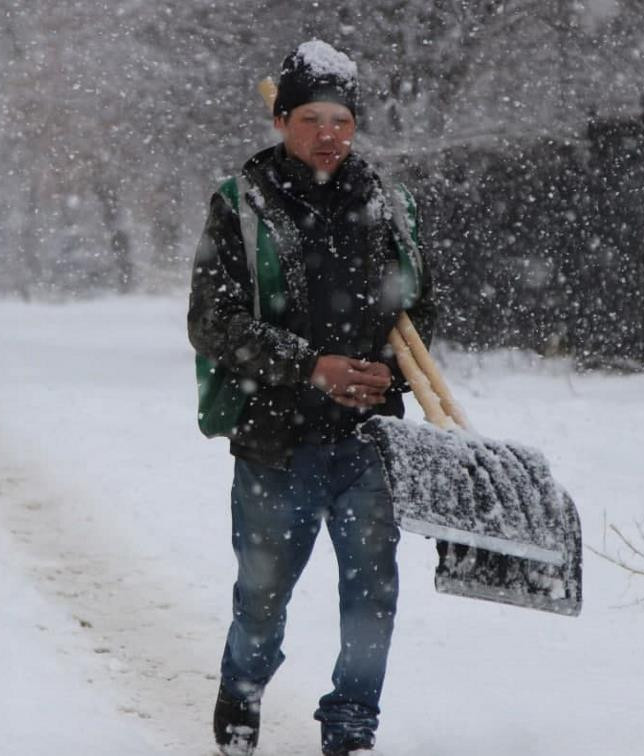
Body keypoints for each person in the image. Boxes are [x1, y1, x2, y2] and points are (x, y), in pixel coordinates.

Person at [188, 39, 437, 756]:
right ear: (281, 122)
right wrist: (308, 365)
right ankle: (243, 688)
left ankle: (351, 726)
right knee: (262, 602)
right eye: (310, 119)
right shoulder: (241, 207)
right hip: (276, 439)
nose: (329, 134)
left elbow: (423, 307)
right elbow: (211, 322)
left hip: (368, 441)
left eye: (341, 120)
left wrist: (393, 367)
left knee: (371, 598)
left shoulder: (389, 204)